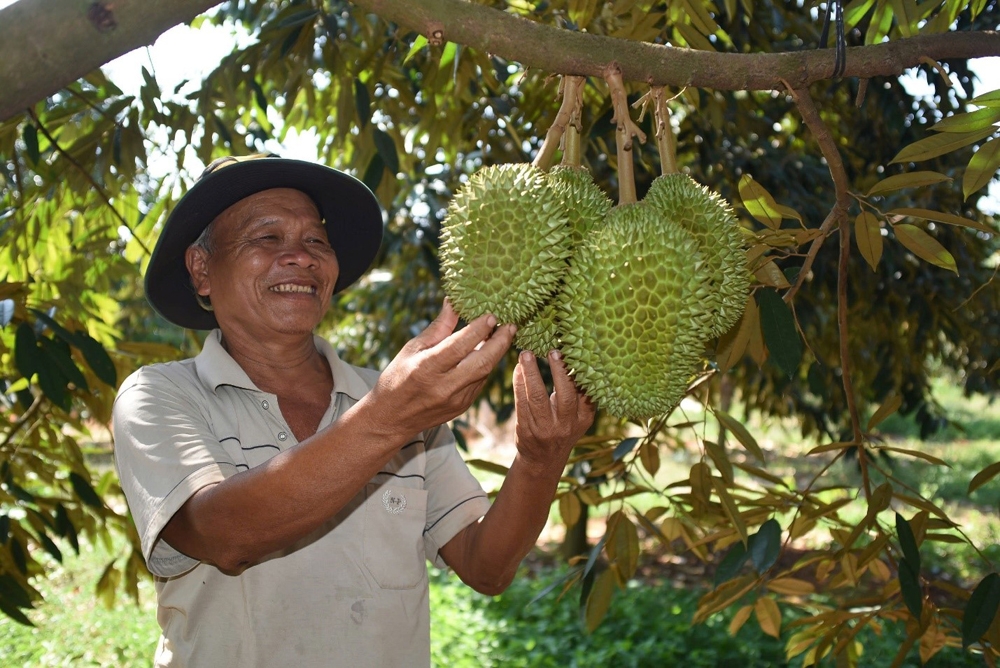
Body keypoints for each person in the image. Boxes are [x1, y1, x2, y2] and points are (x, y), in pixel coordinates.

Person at [112, 154, 596, 667]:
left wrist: (540, 461)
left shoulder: (392, 398)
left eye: (316, 241)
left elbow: (486, 567)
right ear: (202, 270)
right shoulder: (160, 395)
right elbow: (223, 534)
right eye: (266, 238)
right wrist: (390, 417)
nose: (300, 257)